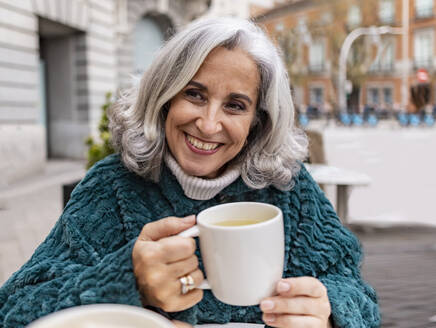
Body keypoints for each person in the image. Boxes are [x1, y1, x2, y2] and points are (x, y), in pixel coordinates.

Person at [0, 17, 380, 328]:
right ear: (165, 97)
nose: (209, 124)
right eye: (194, 94)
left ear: (257, 122)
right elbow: (15, 309)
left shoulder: (289, 189)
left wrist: (329, 313)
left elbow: (359, 296)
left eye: (234, 105)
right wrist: (126, 280)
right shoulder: (112, 187)